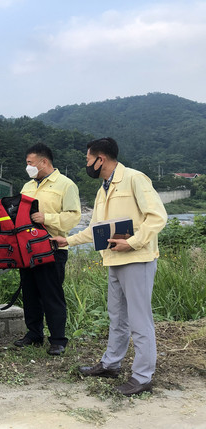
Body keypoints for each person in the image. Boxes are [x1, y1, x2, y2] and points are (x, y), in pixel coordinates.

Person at [52, 137, 167, 396]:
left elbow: (158, 217)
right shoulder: (103, 188)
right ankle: (111, 364)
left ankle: (142, 376)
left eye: (87, 159)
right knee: (117, 317)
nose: (87, 164)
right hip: (114, 259)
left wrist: (134, 242)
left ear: (100, 159)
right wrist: (66, 240)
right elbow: (96, 229)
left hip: (137, 259)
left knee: (140, 319)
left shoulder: (135, 179)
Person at [0, 143, 81, 356]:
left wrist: (47, 218)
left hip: (51, 247)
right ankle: (34, 334)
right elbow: (15, 215)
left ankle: (58, 339)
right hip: (25, 249)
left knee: (51, 294)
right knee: (29, 293)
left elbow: (74, 215)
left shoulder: (65, 185)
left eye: (30, 163)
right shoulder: (27, 186)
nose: (27, 166)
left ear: (43, 162)